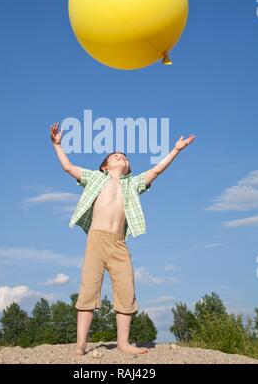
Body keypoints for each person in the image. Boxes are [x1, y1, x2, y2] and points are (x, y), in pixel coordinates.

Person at [50, 122, 195, 355]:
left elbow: (157, 170)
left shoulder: (133, 183)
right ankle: (80, 344)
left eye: (124, 157)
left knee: (126, 289)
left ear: (127, 168)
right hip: (96, 241)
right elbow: (68, 167)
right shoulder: (96, 178)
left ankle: (123, 343)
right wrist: (57, 145)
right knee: (88, 290)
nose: (121, 156)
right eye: (116, 156)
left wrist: (176, 150)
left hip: (119, 243)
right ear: (105, 167)